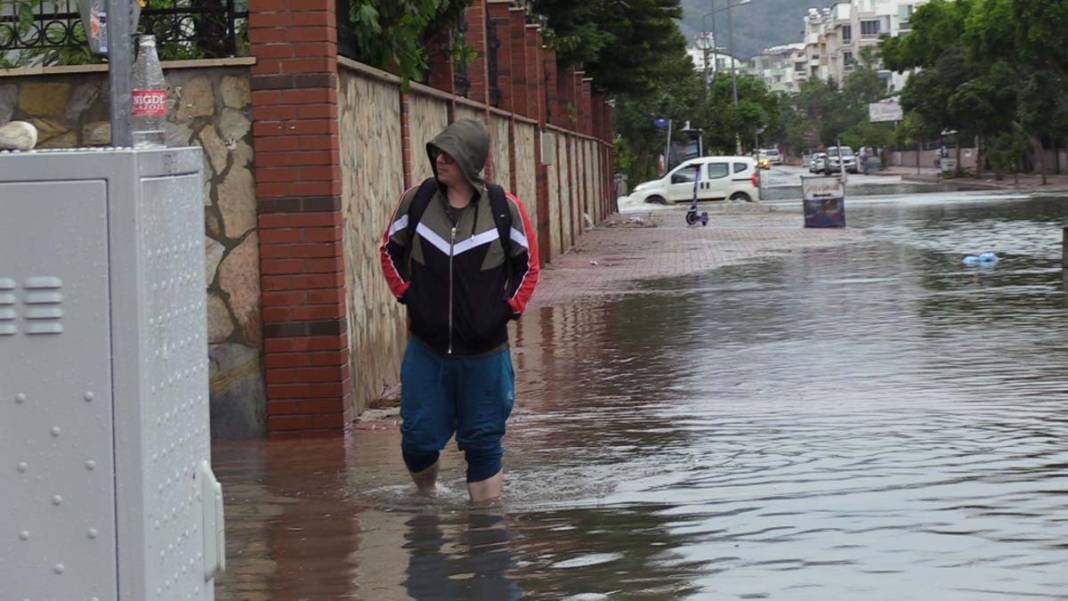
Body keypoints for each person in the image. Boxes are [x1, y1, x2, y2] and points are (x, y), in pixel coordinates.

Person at [380, 119, 540, 503]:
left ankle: (486, 540)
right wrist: (407, 295)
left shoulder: (504, 208)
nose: (440, 159)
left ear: (469, 159)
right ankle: (428, 497)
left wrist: (505, 310)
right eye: (438, 151)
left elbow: (528, 265)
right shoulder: (416, 201)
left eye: (449, 153)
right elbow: (389, 249)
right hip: (427, 351)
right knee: (417, 439)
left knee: (483, 442)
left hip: (486, 355)